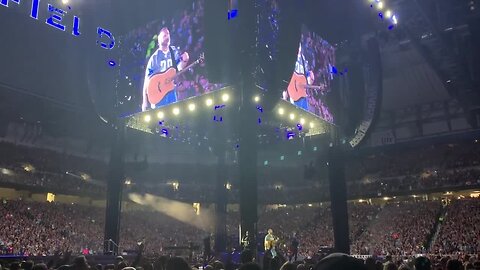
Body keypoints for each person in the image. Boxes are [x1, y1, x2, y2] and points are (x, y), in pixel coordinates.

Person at [142, 27, 190, 111]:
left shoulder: (174, 51)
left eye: (168, 34)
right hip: (159, 96)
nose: (167, 36)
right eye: (164, 35)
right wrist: (145, 101)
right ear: (159, 39)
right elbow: (147, 80)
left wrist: (184, 61)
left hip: (171, 91)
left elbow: (178, 69)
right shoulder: (154, 58)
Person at [283, 43, 315, 111]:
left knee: (305, 114)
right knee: (295, 113)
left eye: (299, 46)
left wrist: (309, 77)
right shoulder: (289, 57)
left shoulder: (303, 60)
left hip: (302, 93)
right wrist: (285, 90)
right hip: (293, 91)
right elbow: (285, 74)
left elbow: (307, 74)